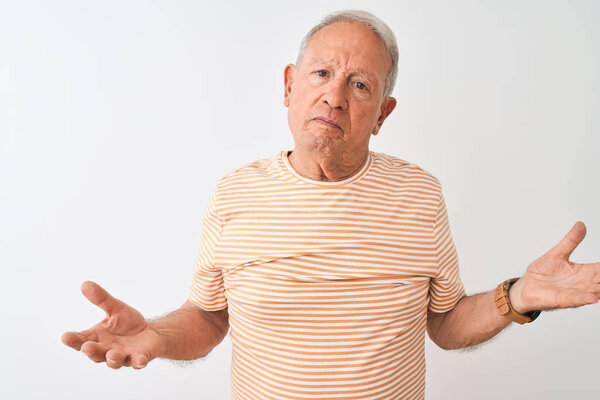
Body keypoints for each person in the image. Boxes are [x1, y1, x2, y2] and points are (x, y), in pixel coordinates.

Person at [62, 10, 600, 400]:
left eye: (359, 84)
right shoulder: (234, 193)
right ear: (291, 85)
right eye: (321, 74)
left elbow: (445, 321)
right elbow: (208, 315)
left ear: (383, 112)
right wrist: (158, 334)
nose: (334, 96)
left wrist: (520, 295)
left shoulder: (419, 195)